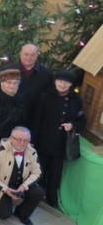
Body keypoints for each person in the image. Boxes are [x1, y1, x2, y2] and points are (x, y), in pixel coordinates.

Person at [32, 70, 86, 208]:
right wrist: (33, 141)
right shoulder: (44, 97)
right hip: (43, 142)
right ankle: (35, 195)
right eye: (60, 81)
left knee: (56, 173)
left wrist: (72, 125)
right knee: (39, 170)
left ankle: (51, 197)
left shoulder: (76, 100)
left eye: (66, 83)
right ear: (55, 82)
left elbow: (82, 120)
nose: (62, 85)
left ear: (70, 85)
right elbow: (36, 120)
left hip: (61, 145)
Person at [0, 126, 44, 225]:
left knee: (39, 192)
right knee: (4, 215)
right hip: (2, 188)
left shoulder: (32, 152)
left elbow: (37, 172)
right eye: (19, 139)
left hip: (20, 186)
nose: (22, 143)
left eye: (26, 140)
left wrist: (23, 187)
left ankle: (22, 214)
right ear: (11, 138)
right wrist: (6, 189)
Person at [14, 43, 53, 120]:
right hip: (12, 115)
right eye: (26, 54)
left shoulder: (47, 74)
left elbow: (49, 97)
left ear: (37, 56)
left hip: (35, 117)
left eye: (32, 55)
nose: (29, 57)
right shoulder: (9, 70)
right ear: (20, 54)